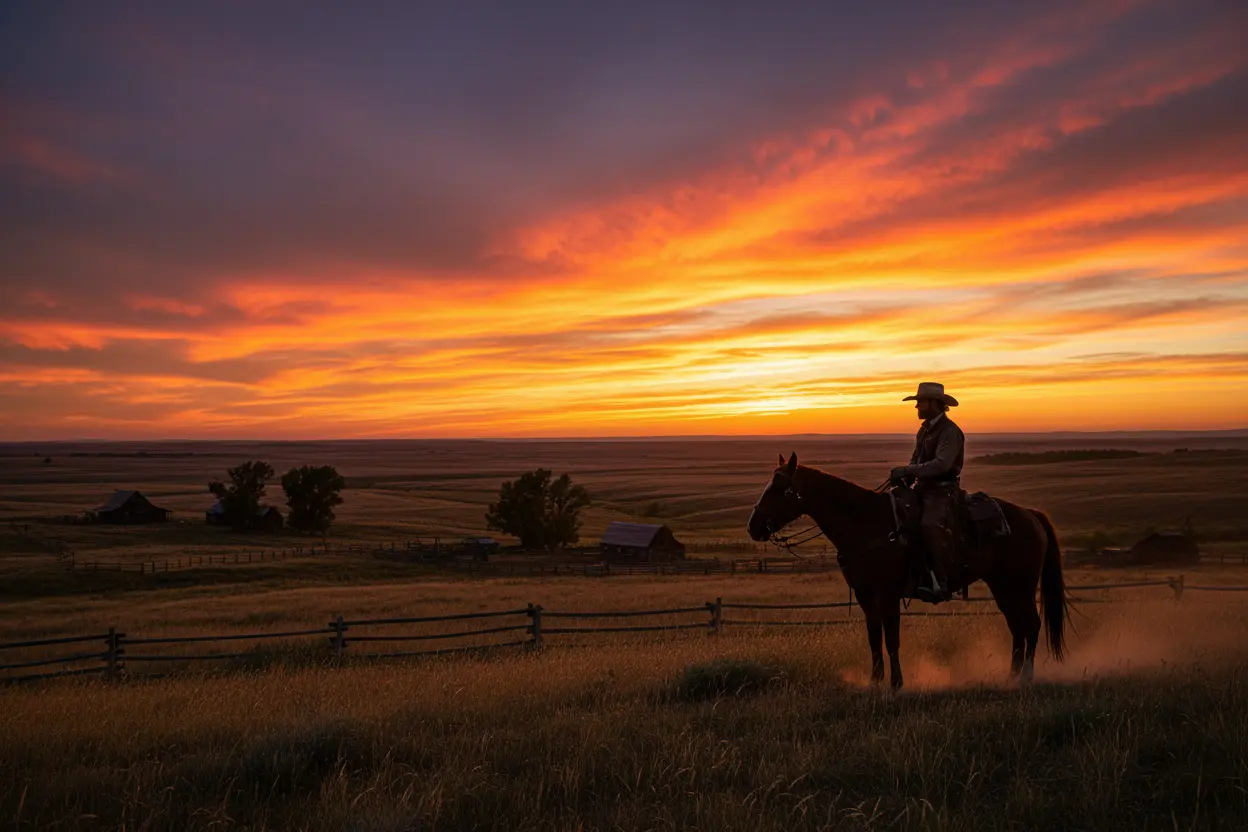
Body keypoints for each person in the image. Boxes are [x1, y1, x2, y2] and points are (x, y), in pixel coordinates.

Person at [889, 382, 964, 602]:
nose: (917, 407)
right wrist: (905, 476)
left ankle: (942, 582)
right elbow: (917, 459)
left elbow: (941, 464)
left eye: (920, 402)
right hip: (922, 489)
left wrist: (907, 469)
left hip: (942, 491)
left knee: (928, 525)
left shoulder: (950, 431)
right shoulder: (924, 430)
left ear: (934, 404)